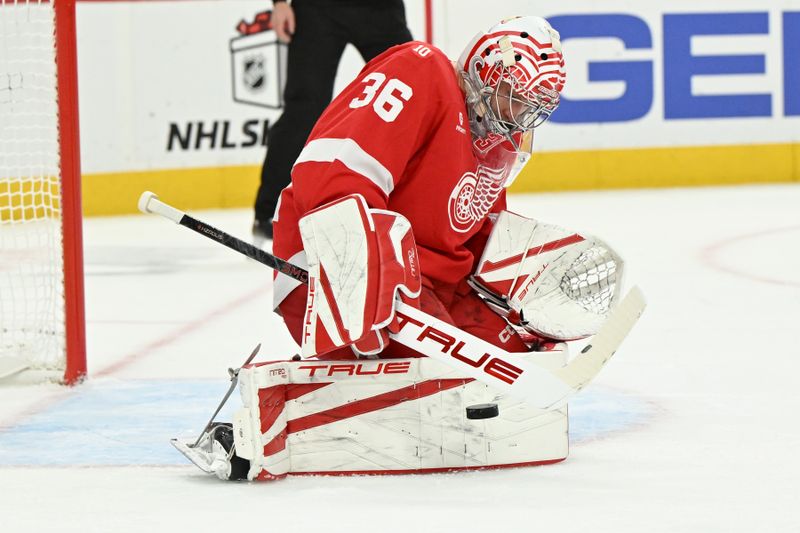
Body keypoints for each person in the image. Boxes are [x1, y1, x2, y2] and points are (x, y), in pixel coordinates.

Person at [271, 15, 567, 360]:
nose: (517, 114)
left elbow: (475, 235)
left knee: (517, 359)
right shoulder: (422, 72)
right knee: (453, 371)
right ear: (483, 70)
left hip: (433, 286)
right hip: (333, 274)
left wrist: (522, 283)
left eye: (529, 107)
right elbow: (329, 175)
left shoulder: (497, 135)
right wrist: (359, 272)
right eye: (511, 96)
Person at [253, 0, 413, 243]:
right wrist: (278, 3)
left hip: (380, 8)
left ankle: (420, 204)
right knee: (304, 110)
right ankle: (268, 215)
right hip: (317, 9)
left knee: (411, 96)